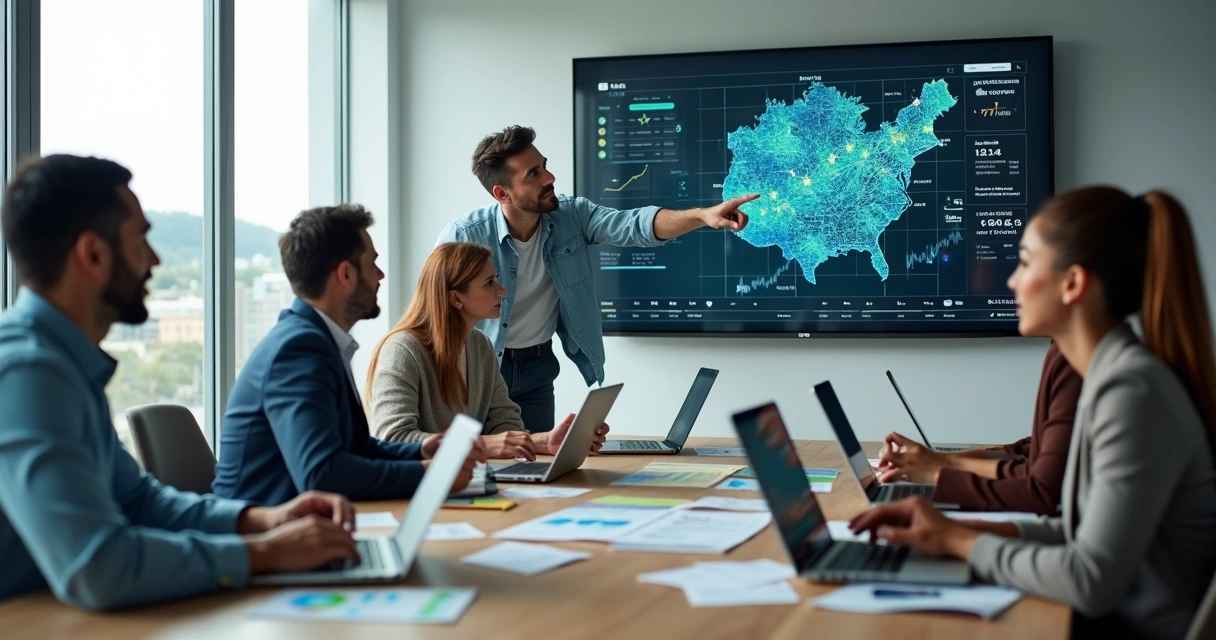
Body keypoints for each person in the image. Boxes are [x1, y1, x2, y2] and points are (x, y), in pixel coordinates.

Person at [851, 186, 1216, 639]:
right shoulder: (1111, 376)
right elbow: (1076, 533)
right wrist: (949, 531)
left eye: (1025, 262)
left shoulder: (1131, 390)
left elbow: (1090, 580)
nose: (1011, 281)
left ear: (1073, 283)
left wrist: (960, 541)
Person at [0, 155, 361, 610]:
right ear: (92, 254)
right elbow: (98, 566)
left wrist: (263, 519)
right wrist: (266, 553)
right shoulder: (26, 372)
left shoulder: (59, 364)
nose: (154, 259)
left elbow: (137, 502)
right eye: (141, 240)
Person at [438, 125, 757, 432]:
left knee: (532, 470)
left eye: (544, 166)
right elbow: (435, 312)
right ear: (501, 192)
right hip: (476, 369)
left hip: (538, 368)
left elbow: (634, 225)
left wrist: (702, 216)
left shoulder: (570, 215)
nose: (550, 178)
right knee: (476, 466)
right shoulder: (464, 236)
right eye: (533, 174)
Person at [213, 205, 484, 506]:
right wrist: (430, 474)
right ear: (345, 274)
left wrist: (421, 451)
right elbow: (323, 473)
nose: (381, 275)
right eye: (373, 264)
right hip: (264, 539)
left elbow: (351, 448)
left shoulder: (316, 338)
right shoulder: (299, 348)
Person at [365, 242, 609, 459]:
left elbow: (504, 423)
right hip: (418, 491)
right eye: (489, 283)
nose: (502, 290)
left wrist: (545, 442)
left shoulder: (479, 345)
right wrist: (481, 445)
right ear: (455, 299)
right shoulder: (402, 350)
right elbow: (392, 438)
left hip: (465, 484)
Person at [876, 342, 1081, 515]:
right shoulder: (1062, 349)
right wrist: (936, 461)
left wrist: (938, 470)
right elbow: (1031, 451)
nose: (1012, 291)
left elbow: (1040, 487)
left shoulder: (1075, 360)